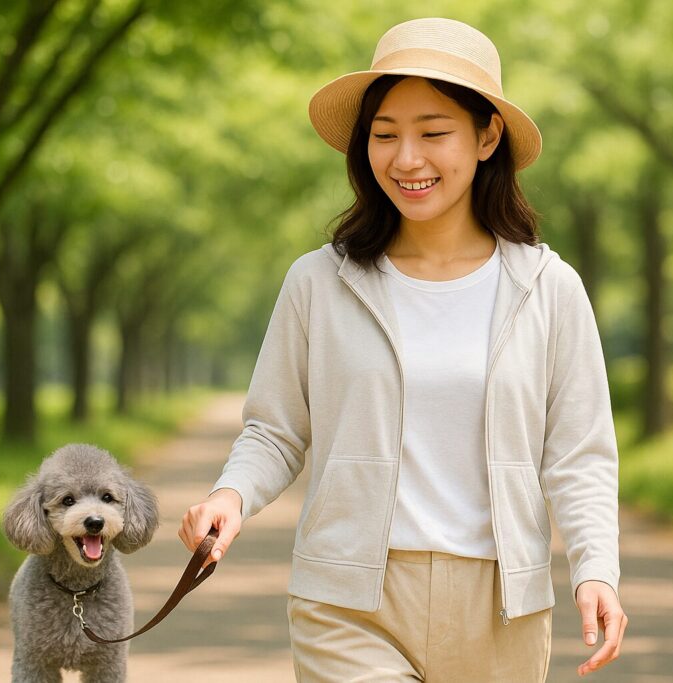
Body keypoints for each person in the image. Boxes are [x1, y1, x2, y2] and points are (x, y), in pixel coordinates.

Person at [179, 16, 628, 682]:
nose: (406, 158)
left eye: (433, 132)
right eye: (384, 135)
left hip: (502, 609)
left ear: (486, 135)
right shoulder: (319, 282)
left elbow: (578, 453)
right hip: (349, 600)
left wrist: (597, 568)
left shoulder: (548, 288)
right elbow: (275, 429)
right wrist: (230, 494)